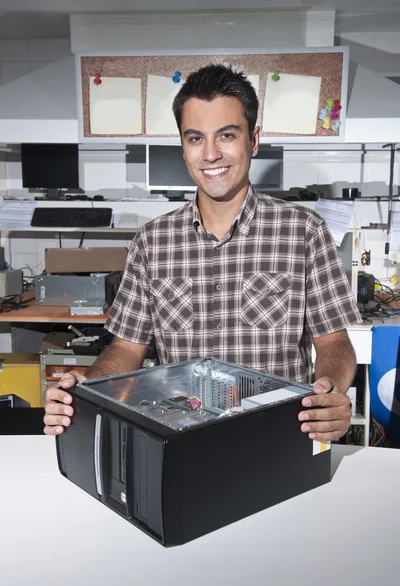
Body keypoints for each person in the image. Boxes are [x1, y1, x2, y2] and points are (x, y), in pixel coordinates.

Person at [44, 64, 362, 442]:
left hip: (277, 437)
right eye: (196, 138)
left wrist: (329, 391)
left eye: (227, 135)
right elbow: (127, 348)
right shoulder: (152, 242)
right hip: (180, 440)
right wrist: (85, 388)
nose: (210, 154)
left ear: (253, 140)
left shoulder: (304, 232)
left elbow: (334, 342)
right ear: (183, 145)